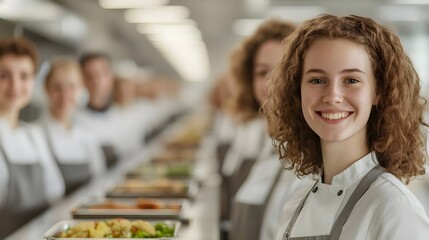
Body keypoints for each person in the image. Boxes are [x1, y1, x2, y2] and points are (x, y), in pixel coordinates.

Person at [262, 15, 429, 239]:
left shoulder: (393, 207)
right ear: (297, 90)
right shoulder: (298, 201)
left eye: (351, 80)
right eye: (317, 80)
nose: (332, 96)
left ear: (378, 92)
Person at [224, 19, 297, 240]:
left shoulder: (309, 160)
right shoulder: (270, 144)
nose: (272, 83)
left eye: (283, 71)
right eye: (262, 72)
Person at [0, 38, 64, 238]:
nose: (15, 85)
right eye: (4, 75)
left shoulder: (33, 135)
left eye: (24, 76)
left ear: (33, 82)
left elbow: (56, 192)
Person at [39, 56, 106, 195]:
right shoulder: (36, 134)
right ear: (46, 88)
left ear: (81, 89)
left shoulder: (87, 134)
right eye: (57, 88)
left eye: (72, 87)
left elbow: (100, 180)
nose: (65, 95)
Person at [76, 52, 119, 167]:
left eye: (102, 73)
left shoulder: (125, 116)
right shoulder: (75, 122)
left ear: (111, 77)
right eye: (90, 75)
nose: (97, 81)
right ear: (81, 80)